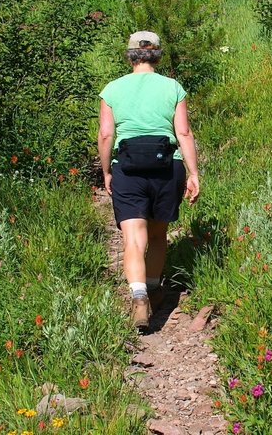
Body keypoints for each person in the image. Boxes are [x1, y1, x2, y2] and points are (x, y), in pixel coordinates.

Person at [97, 30, 200, 331]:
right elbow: (183, 133)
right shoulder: (173, 87)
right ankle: (154, 288)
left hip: (128, 169)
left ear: (130, 54)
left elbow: (106, 134)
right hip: (167, 167)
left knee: (133, 238)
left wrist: (106, 171)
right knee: (157, 234)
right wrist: (193, 173)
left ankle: (139, 297)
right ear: (156, 54)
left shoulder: (112, 89)